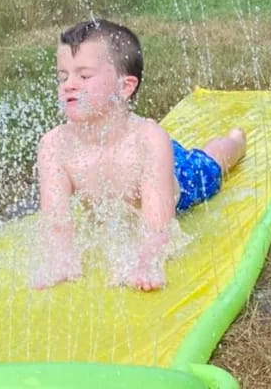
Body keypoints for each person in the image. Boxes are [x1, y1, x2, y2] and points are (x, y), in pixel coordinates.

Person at [34, 19, 246, 292]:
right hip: (143, 164)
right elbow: (56, 220)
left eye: (84, 76)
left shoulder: (148, 141)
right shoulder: (54, 145)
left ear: (125, 87)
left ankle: (234, 141)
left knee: (208, 165)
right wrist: (61, 257)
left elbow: (159, 226)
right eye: (62, 76)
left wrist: (146, 260)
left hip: (177, 176)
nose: (69, 85)